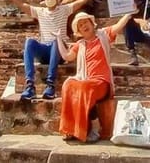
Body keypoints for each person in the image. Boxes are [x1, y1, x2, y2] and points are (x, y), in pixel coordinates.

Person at [2, 0, 101, 101]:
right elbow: (22, 4)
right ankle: (30, 86)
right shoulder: (40, 11)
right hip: (44, 51)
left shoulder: (64, 9)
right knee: (29, 42)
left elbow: (82, 0)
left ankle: (50, 85)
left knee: (56, 41)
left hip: (59, 50)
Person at [54, 11, 135, 143]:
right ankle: (71, 129)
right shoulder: (79, 44)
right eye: (80, 25)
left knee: (84, 87)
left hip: (102, 82)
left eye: (85, 22)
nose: (84, 25)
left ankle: (95, 127)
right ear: (79, 31)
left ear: (92, 23)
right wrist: (58, 38)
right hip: (86, 80)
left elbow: (118, 26)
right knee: (68, 85)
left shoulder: (103, 35)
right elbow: (67, 57)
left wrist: (128, 14)